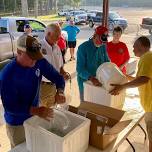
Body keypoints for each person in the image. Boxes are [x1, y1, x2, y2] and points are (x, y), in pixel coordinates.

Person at [0, 35, 66, 148]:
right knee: (21, 149)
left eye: (36, 56)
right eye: (31, 56)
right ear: (19, 52)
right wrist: (35, 110)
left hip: (34, 118)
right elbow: (10, 107)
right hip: (17, 124)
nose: (35, 60)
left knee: (36, 146)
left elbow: (58, 78)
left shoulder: (38, 61)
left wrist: (60, 91)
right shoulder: (8, 75)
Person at [110, 36, 152, 152]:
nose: (133, 50)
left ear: (142, 46)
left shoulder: (146, 58)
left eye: (134, 47)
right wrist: (124, 77)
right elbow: (140, 78)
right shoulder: (148, 57)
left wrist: (122, 87)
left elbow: (144, 80)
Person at [76, 25, 110, 101]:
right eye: (99, 41)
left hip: (99, 80)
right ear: (95, 36)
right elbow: (80, 69)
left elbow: (107, 62)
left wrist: (111, 71)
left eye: (102, 42)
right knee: (85, 102)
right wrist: (91, 78)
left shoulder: (103, 46)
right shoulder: (83, 48)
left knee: (97, 102)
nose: (101, 44)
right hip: (85, 81)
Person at [40, 23, 70, 107]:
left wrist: (64, 73)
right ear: (49, 33)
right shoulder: (38, 47)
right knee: (40, 115)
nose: (59, 38)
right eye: (57, 35)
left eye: (60, 35)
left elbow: (60, 67)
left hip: (54, 86)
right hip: (41, 86)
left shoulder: (57, 48)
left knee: (52, 112)